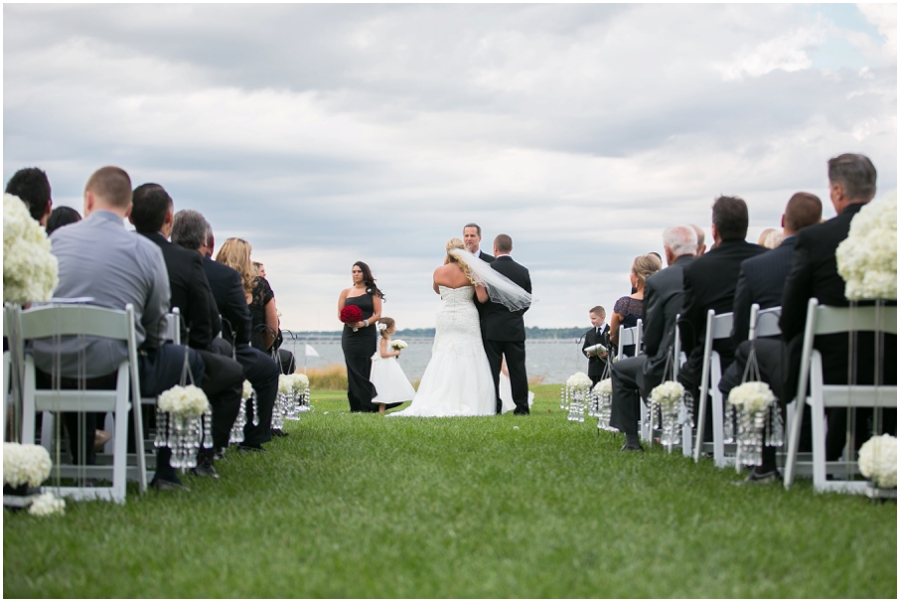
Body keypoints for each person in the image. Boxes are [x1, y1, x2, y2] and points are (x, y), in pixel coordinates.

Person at [722, 154, 896, 483]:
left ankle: (764, 465)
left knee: (750, 348)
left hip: (826, 365)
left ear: (838, 191)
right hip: (890, 363)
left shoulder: (817, 239)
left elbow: (791, 318)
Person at [32, 166, 205, 491]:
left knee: (78, 357)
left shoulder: (55, 241)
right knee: (186, 359)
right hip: (114, 371)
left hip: (50, 369)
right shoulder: (146, 251)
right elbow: (156, 325)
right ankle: (166, 471)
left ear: (88, 200)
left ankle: (82, 461)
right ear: (128, 211)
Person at [130, 183, 244, 477]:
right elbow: (206, 321)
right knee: (231, 373)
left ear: (130, 215)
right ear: (168, 219)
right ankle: (203, 456)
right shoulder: (185, 259)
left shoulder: (118, 251)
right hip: (171, 358)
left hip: (111, 358)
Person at [171, 210, 279, 453]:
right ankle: (246, 439)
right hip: (212, 351)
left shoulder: (158, 261)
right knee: (267, 369)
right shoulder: (222, 276)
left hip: (166, 351)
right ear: (207, 242)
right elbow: (243, 325)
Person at [391, 238, 530, 417]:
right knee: (469, 354)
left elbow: (437, 291)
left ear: (447, 252)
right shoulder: (471, 272)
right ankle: (471, 398)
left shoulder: (438, 271)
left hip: (445, 316)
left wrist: (445, 266)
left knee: (444, 353)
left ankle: (440, 394)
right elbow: (482, 298)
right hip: (466, 316)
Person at [678, 195, 767, 441]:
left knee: (689, 372)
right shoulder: (766, 259)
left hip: (715, 356)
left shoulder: (698, 268)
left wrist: (693, 351)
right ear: (746, 226)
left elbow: (689, 321)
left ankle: (706, 435)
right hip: (763, 354)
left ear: (714, 229)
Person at [609, 226, 697, 452]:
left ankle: (632, 441)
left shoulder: (660, 283)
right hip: (705, 358)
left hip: (668, 362)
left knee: (619, 369)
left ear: (667, 252)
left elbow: (652, 337)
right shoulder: (709, 273)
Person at [730, 193, 823, 344]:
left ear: (782, 220)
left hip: (767, 360)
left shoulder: (753, 268)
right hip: (818, 357)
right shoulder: (825, 263)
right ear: (818, 225)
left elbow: (740, 330)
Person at [477, 234, 533, 415]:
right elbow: (526, 301)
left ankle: (494, 406)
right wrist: (515, 316)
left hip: (492, 327)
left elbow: (481, 301)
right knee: (517, 369)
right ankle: (522, 407)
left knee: (492, 370)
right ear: (511, 248)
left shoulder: (488, 269)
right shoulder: (523, 271)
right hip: (514, 327)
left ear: (495, 248)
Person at [216, 238, 281, 355]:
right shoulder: (261, 286)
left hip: (221, 352)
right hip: (255, 351)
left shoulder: (214, 284)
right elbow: (272, 330)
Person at [337, 261, 383, 413]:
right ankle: (355, 405)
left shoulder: (372, 292)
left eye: (358, 271)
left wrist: (364, 323)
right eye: (353, 271)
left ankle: (369, 404)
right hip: (349, 335)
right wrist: (348, 321)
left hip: (367, 334)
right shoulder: (346, 292)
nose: (355, 274)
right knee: (352, 368)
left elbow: (377, 314)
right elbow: (339, 314)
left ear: (365, 273)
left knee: (365, 367)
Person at [609, 254, 662, 356]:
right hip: (659, 362)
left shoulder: (624, 304)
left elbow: (613, 337)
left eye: (632, 272)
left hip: (629, 364)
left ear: (637, 277)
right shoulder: (664, 301)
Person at [369, 317, 415, 414]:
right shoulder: (383, 340)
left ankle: (384, 407)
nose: (395, 328)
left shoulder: (387, 339)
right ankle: (381, 409)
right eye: (394, 326)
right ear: (388, 329)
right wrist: (395, 353)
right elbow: (383, 354)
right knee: (384, 385)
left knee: (389, 384)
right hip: (383, 365)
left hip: (388, 364)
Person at [582, 306, 611, 385]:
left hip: (607, 369)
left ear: (602, 317)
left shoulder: (611, 331)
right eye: (591, 319)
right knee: (593, 394)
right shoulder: (589, 333)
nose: (591, 321)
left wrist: (607, 354)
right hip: (593, 370)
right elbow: (584, 348)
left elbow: (616, 348)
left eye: (594, 318)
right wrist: (588, 353)